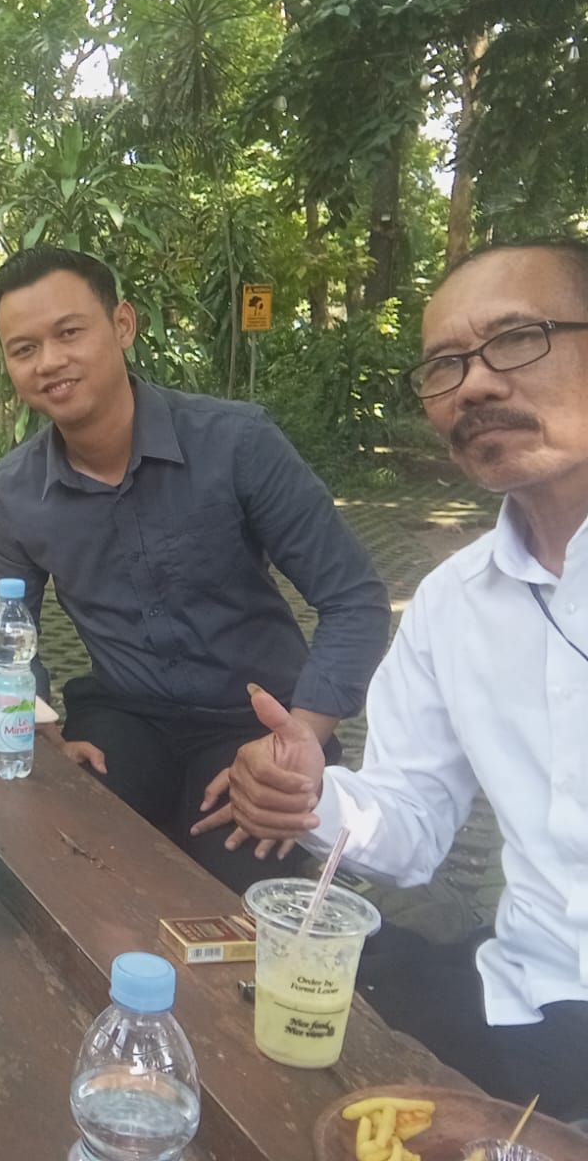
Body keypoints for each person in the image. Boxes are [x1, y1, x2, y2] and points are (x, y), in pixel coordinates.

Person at [228, 239, 588, 1123]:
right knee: (251, 1048)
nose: (474, 386)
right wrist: (309, 791)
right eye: (444, 366)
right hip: (527, 993)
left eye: (517, 339)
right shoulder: (454, 603)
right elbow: (412, 819)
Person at [0, 246, 390, 893]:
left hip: (254, 723)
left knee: (230, 900)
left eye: (69, 333)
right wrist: (39, 727)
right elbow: (8, 635)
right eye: (23, 349)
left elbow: (355, 599)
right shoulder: (15, 490)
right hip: (124, 720)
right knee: (72, 861)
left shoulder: (237, 443)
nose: (49, 361)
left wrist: (300, 740)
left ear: (122, 325)